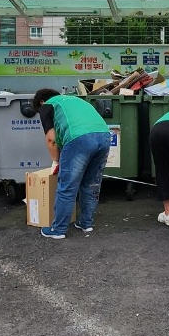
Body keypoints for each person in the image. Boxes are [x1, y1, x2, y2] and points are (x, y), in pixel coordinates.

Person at [32, 88, 111, 239]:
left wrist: (55, 161)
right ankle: (86, 223)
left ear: (41, 102)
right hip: (104, 136)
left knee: (67, 186)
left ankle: (58, 229)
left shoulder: (48, 105)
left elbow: (51, 139)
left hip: (79, 139)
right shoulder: (76, 100)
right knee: (91, 184)